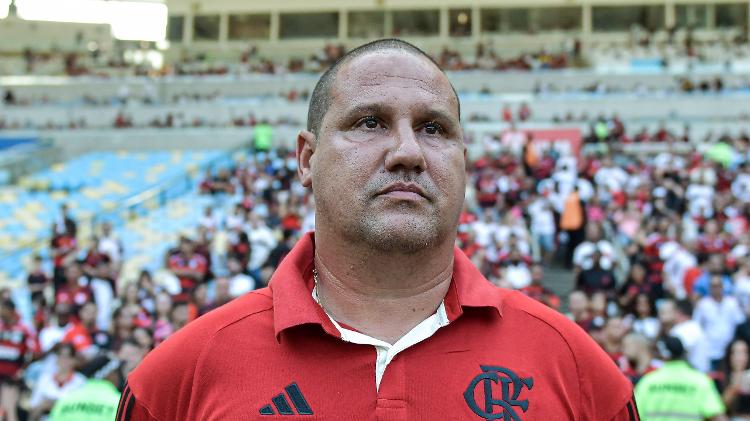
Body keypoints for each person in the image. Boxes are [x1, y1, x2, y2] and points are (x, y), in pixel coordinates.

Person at [118, 39, 635, 419]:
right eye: (370, 122)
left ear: (463, 161)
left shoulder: (575, 367)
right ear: (307, 158)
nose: (408, 151)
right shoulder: (181, 376)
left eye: (434, 129)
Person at [635, 336, 727, 420]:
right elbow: (717, 417)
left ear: (663, 355)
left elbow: (634, 415)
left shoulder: (647, 382)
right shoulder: (700, 381)